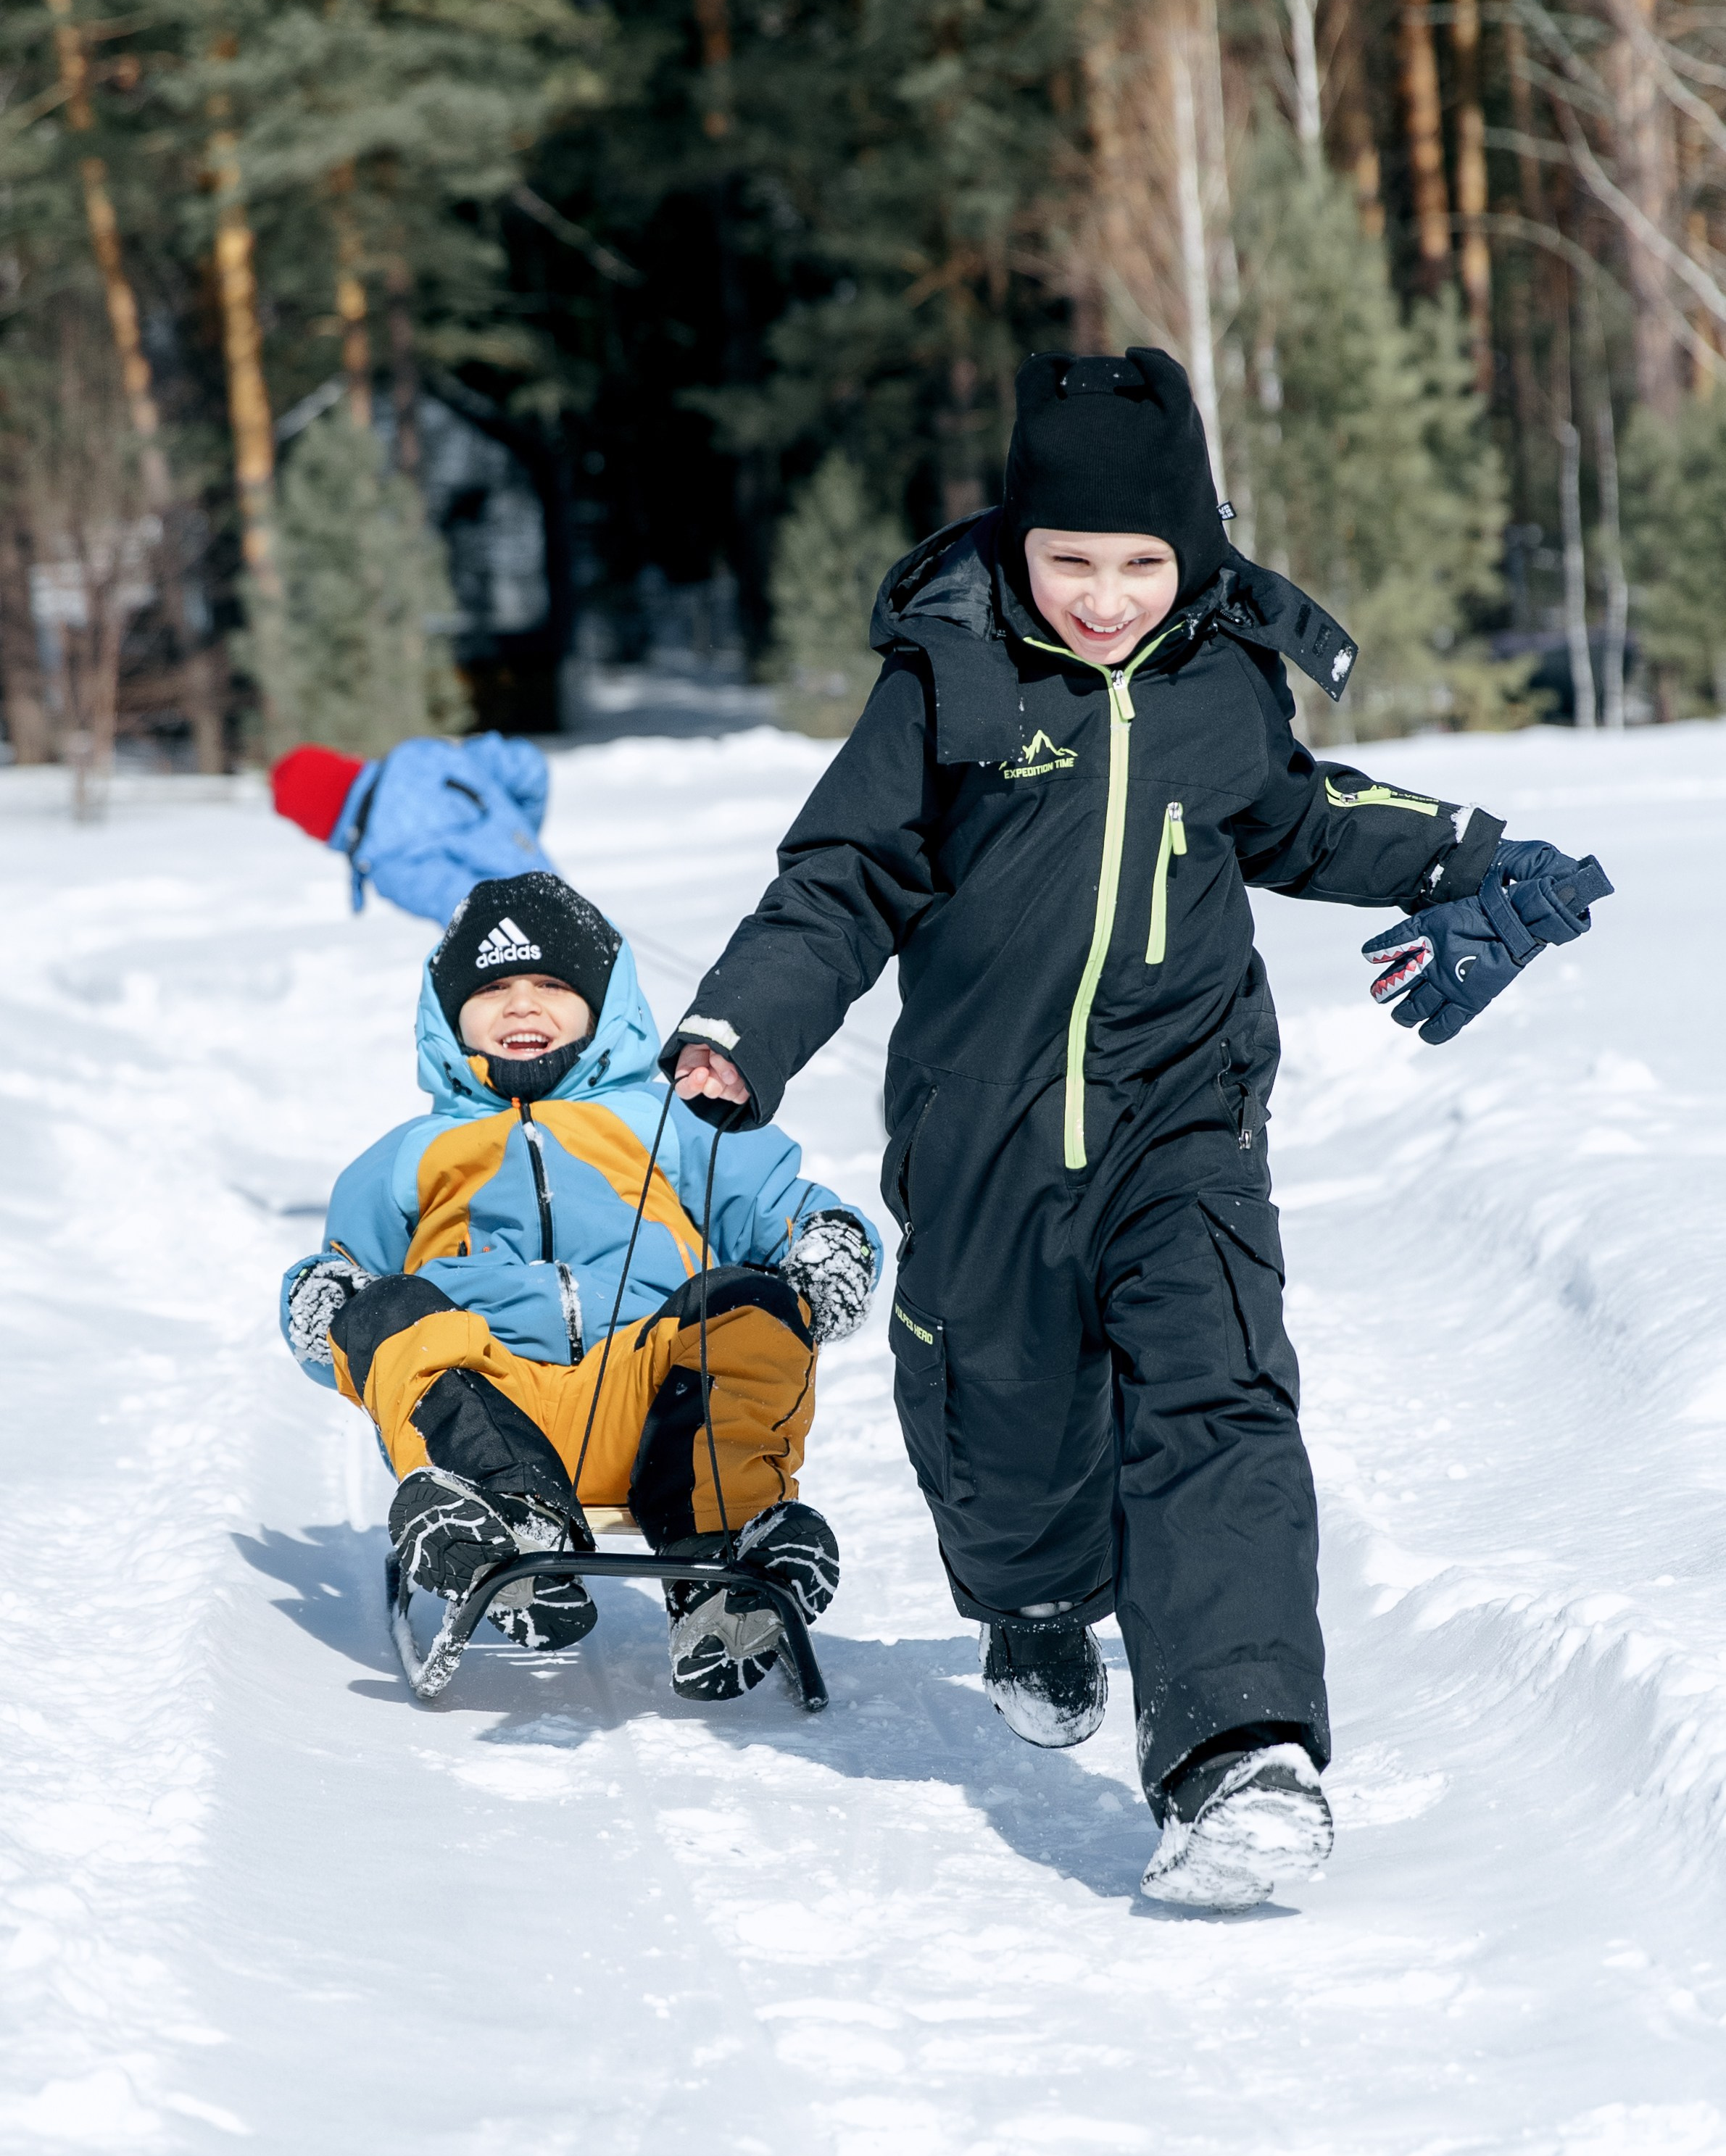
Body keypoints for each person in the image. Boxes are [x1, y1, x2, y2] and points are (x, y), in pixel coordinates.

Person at [665, 347, 1611, 1906]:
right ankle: (1034, 1602)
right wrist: (740, 1026)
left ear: (1188, 551)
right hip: (983, 1136)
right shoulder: (947, 677)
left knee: (1218, 1391)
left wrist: (1472, 858)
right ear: (1016, 543)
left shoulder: (1217, 675)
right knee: (1005, 1421)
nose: (1102, 598)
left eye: (1136, 563)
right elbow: (840, 880)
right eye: (1067, 562)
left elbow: (1296, 817)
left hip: (1184, 1113)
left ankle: (1238, 1752)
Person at [281, 871, 881, 1697]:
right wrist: (323, 1300)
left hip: (654, 1398)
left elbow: (783, 1207)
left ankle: (722, 1556)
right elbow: (347, 1305)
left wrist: (827, 1245)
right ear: (448, 1014)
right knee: (388, 1308)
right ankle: (506, 1528)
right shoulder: (409, 1154)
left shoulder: (677, 1124)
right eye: (492, 988)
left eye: (553, 985)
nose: (522, 1005)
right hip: (488, 1406)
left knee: (745, 1303)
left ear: (606, 1007)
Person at [271, 733, 555, 925]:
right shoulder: (424, 754)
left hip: (537, 956)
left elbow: (479, 919)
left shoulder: (387, 860)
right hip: (567, 907)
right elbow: (528, 768)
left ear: (317, 825)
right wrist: (520, 845)